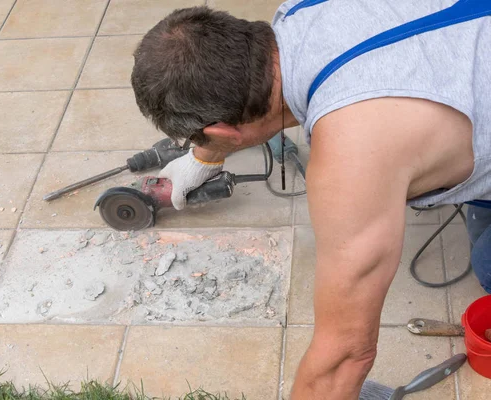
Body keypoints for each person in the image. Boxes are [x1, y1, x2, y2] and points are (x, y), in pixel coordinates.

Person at [130, 1, 491, 399]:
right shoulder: (299, 12)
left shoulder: (353, 154)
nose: (196, 145)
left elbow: (346, 354)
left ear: (224, 130)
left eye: (196, 137)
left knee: (486, 266)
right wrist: (205, 155)